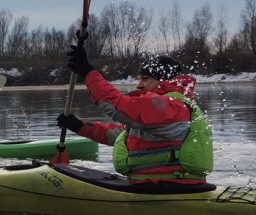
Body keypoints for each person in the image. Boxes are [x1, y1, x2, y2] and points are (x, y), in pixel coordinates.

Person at [56, 44, 213, 185]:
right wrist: (78, 126)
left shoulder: (171, 106)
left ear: (165, 80)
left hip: (167, 186)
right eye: (139, 79)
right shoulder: (171, 108)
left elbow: (118, 107)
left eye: (145, 79)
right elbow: (119, 134)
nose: (139, 85)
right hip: (158, 184)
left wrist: (88, 72)